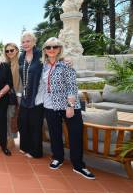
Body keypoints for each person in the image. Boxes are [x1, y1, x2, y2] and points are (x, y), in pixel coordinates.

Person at [39, 37, 95, 179]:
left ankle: (78, 165)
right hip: (50, 105)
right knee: (55, 133)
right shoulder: (43, 65)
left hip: (68, 106)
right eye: (48, 47)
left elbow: (72, 86)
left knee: (75, 135)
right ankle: (58, 157)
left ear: (60, 49)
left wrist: (70, 106)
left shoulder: (66, 64)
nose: (51, 50)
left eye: (55, 47)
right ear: (44, 50)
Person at [18, 31, 44, 158]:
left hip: (37, 95)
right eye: (23, 42)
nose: (25, 44)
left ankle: (35, 151)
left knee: (35, 124)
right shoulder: (21, 57)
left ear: (34, 42)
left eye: (28, 41)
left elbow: (56, 58)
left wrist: (67, 60)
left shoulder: (40, 55)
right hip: (25, 95)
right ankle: (25, 146)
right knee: (23, 122)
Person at [3, 43, 22, 150]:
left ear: (17, 50)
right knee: (8, 117)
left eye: (12, 50)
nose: (9, 52)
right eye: (7, 51)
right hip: (7, 94)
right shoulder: (6, 63)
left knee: (12, 117)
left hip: (18, 95)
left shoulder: (21, 62)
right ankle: (9, 138)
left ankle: (11, 139)